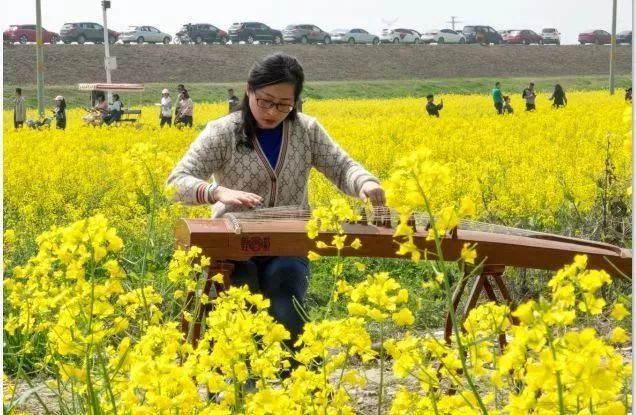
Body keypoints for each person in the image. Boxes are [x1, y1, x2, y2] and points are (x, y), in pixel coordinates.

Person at [166, 53, 385, 351]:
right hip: (233, 246)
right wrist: (218, 192)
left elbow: (343, 166)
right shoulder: (223, 132)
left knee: (286, 309)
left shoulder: (306, 131)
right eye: (265, 100)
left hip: (288, 245)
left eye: (284, 104)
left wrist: (365, 182)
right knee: (239, 310)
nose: (272, 111)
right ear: (249, 91)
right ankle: (241, 389)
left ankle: (303, 388)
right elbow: (176, 181)